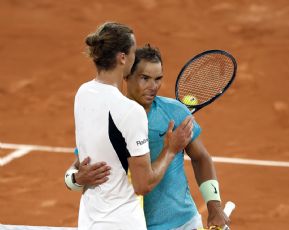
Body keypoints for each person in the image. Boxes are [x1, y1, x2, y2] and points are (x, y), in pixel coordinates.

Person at [66, 44, 230, 230]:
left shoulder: (174, 111)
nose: (153, 87)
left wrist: (214, 206)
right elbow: (76, 169)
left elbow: (201, 158)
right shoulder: (110, 117)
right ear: (126, 75)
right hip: (135, 225)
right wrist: (76, 179)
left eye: (158, 79)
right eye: (145, 78)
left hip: (184, 222)